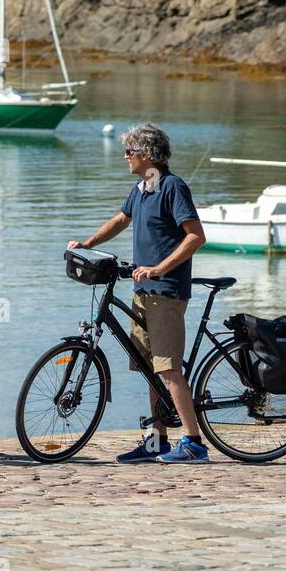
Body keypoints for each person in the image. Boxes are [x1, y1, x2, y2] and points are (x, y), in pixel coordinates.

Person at [68, 123, 208, 464]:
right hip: (142, 289)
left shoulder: (172, 187)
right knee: (149, 368)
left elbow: (195, 236)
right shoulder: (143, 186)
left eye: (129, 151)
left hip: (165, 290)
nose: (125, 157)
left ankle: (193, 442)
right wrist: (88, 243)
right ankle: (157, 439)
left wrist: (160, 268)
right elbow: (120, 219)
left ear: (146, 154)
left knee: (168, 367)